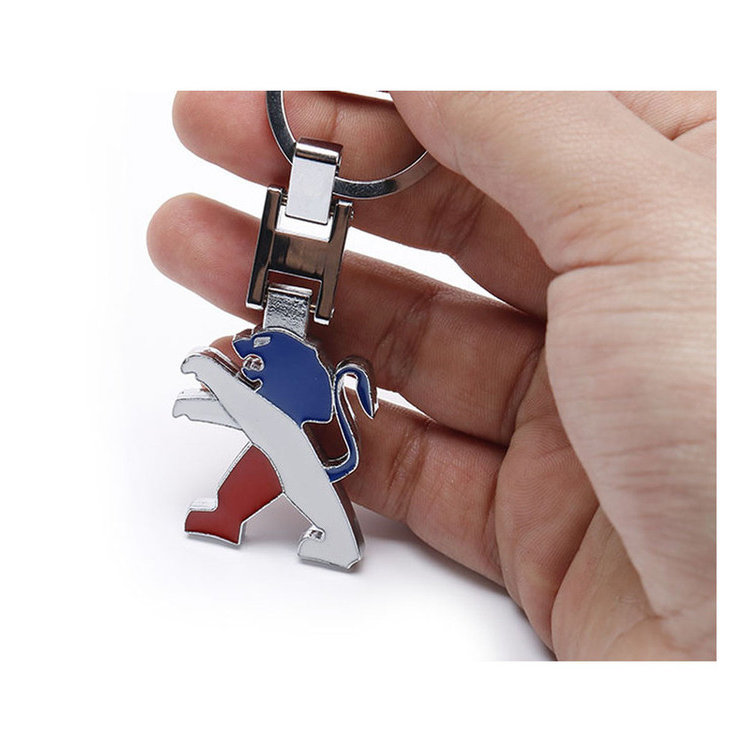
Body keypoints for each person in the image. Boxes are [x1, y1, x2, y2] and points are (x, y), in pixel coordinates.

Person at [148, 91, 716, 660]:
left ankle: (315, 537)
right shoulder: (281, 376)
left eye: (255, 353)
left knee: (287, 480)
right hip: (293, 441)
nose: (248, 352)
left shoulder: (286, 384)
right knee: (258, 473)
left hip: (298, 449)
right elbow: (259, 409)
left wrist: (208, 380)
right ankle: (232, 520)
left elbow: (257, 411)